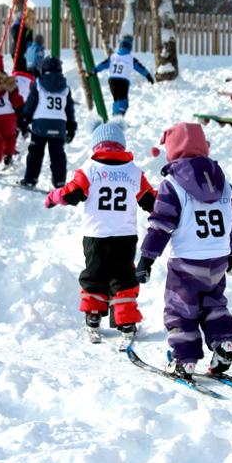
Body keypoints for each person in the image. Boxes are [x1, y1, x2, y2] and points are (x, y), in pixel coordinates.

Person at [135, 122, 232, 381]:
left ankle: (185, 360)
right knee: (214, 304)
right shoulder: (223, 183)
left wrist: (146, 259)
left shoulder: (172, 184)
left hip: (186, 262)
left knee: (180, 310)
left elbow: (160, 225)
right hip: (217, 259)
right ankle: (224, 342)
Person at [44, 122, 156, 344]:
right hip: (124, 237)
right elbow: (149, 200)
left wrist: (54, 197)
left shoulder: (89, 169)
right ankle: (126, 321)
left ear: (96, 146)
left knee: (95, 274)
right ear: (121, 146)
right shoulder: (133, 172)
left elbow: (72, 193)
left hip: (95, 236)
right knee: (123, 276)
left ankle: (93, 315)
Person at [19, 56, 76, 189]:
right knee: (58, 155)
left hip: (40, 125)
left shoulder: (38, 84)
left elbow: (31, 103)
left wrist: (25, 119)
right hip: (59, 125)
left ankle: (30, 179)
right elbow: (69, 109)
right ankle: (60, 182)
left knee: (35, 153)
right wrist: (71, 127)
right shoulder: (65, 87)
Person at [93, 34, 154, 118]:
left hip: (112, 81)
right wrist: (148, 76)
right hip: (122, 81)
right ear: (130, 47)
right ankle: (117, 119)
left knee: (117, 100)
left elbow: (103, 64)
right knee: (123, 102)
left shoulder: (113, 57)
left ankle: (115, 116)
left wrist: (95, 70)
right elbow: (140, 68)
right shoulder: (130, 59)